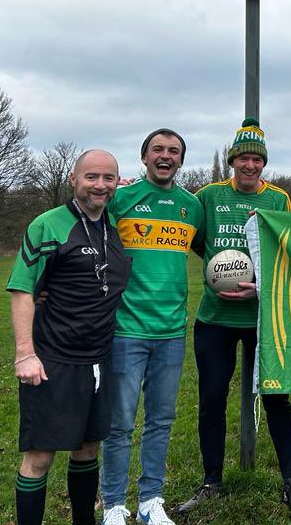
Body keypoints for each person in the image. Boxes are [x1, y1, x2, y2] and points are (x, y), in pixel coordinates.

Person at [178, 118, 291, 516]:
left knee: (276, 397)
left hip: (263, 319)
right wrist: (223, 273)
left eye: (256, 159)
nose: (250, 166)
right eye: (243, 159)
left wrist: (262, 285)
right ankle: (211, 482)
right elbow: (200, 244)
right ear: (232, 161)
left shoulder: (278, 199)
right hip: (215, 318)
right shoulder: (209, 196)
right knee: (211, 400)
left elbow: (286, 251)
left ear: (263, 163)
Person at [7, 150, 131, 525]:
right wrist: (25, 354)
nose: (100, 185)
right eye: (91, 177)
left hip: (99, 358)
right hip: (52, 360)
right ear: (73, 179)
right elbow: (22, 290)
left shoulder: (114, 226)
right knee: (40, 456)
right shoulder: (49, 225)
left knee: (87, 449)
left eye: (109, 178)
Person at [100, 129, 204, 525]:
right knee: (121, 423)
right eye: (158, 149)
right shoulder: (121, 199)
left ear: (180, 160)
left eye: (173, 151)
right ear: (143, 157)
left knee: (161, 421)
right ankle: (113, 504)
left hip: (172, 332)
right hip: (126, 329)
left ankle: (150, 501)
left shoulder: (191, 207)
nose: (166, 156)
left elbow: (212, 253)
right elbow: (87, 233)